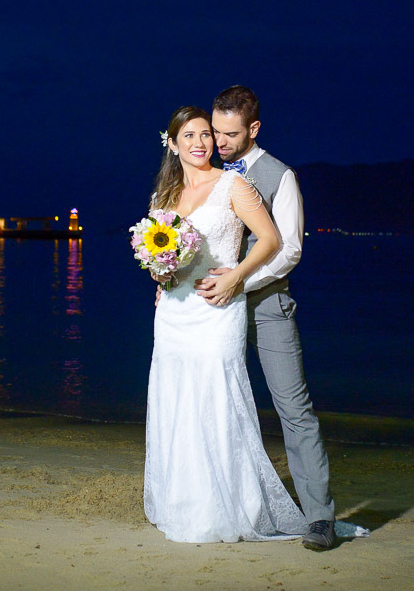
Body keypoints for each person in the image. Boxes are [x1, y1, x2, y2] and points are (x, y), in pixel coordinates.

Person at [143, 105, 308, 543]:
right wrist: (161, 273)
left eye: (206, 135)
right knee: (176, 400)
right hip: (175, 312)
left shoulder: (233, 184)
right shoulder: (164, 196)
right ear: (173, 144)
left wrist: (236, 276)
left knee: (218, 400)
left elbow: (271, 240)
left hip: (219, 308)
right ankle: (183, 502)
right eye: (191, 136)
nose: (201, 143)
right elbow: (163, 253)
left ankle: (231, 506)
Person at [195, 85, 337, 551]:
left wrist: (238, 280)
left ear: (253, 128)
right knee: (219, 407)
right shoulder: (210, 173)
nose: (219, 142)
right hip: (215, 306)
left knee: (294, 410)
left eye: (230, 134)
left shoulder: (281, 176)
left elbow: (290, 249)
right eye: (215, 132)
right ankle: (224, 504)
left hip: (267, 305)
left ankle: (319, 519)